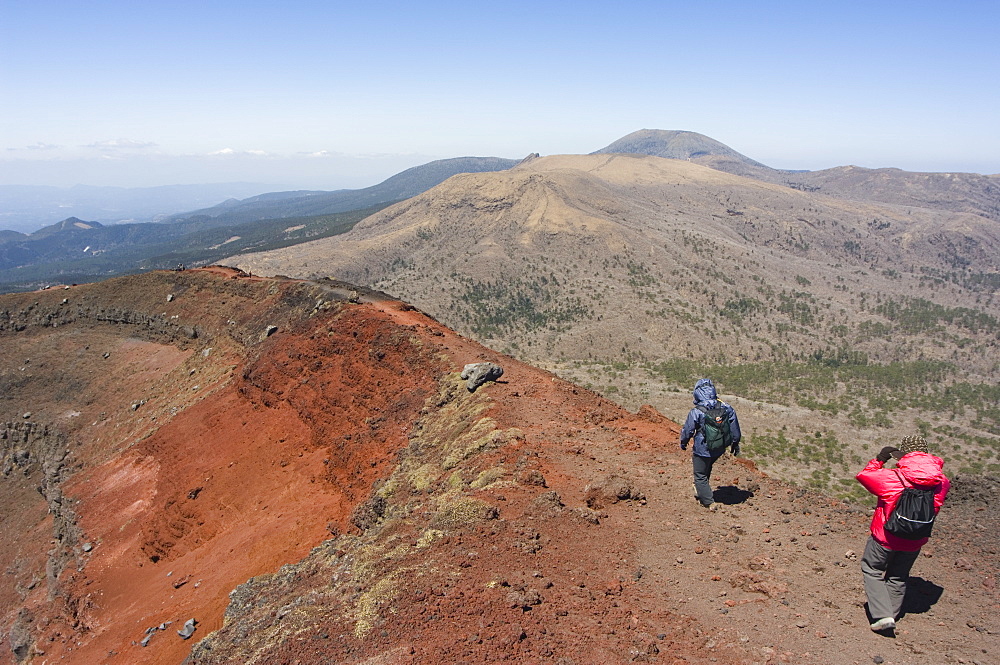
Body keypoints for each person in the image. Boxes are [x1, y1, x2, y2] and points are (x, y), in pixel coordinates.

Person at [855, 435, 949, 632]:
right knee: (898, 576)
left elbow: (864, 475)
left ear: (903, 454)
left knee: (872, 569)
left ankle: (882, 615)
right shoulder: (941, 482)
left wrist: (880, 459)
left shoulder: (893, 477)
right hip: (915, 540)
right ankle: (891, 614)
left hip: (885, 537)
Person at [680, 378, 741, 510]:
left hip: (702, 448)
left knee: (700, 474)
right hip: (719, 448)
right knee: (707, 467)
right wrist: (735, 444)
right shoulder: (726, 407)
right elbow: (735, 429)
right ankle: (703, 491)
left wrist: (683, 442)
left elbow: (688, 430)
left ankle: (708, 501)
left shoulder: (697, 411)